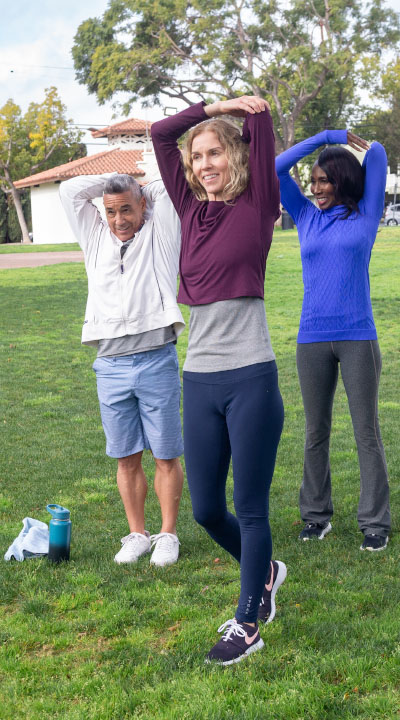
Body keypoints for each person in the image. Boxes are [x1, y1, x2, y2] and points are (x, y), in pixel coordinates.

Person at [151, 96, 286, 664]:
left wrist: (245, 113)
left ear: (235, 155)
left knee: (250, 508)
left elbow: (262, 128)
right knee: (205, 508)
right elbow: (161, 134)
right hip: (200, 378)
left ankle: (247, 622)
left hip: (251, 374)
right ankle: (268, 572)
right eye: (197, 156)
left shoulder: (257, 203)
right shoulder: (187, 209)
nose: (205, 163)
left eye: (215, 153)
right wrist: (214, 106)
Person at [59, 173, 185, 567]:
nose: (118, 220)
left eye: (126, 209)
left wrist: (137, 185)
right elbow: (68, 191)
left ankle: (167, 534)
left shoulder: (160, 233)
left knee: (165, 455)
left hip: (156, 358)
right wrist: (112, 188)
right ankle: (137, 535)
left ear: (142, 205)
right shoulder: (94, 239)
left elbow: (169, 185)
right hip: (109, 364)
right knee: (126, 456)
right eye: (110, 212)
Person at [275, 129, 391, 551]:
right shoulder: (305, 215)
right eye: (314, 181)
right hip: (312, 339)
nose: (316, 188)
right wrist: (324, 136)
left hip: (358, 336)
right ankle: (316, 517)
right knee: (315, 431)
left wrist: (357, 143)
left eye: (324, 180)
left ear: (342, 180)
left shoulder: (366, 214)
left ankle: (375, 522)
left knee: (366, 432)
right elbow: (274, 168)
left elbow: (377, 154)